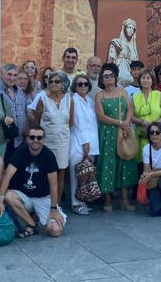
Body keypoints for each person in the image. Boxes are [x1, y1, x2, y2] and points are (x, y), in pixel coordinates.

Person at [0, 125, 67, 238]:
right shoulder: (20, 152)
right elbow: (7, 176)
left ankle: (38, 216)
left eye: (39, 138)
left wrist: (54, 208)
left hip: (43, 198)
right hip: (25, 197)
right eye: (32, 137)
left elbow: (54, 184)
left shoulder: (48, 155)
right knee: (8, 196)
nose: (35, 140)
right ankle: (31, 224)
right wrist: (0, 199)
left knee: (56, 231)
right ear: (27, 138)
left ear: (43, 139)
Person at [95, 63, 138, 212]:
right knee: (108, 165)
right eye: (105, 76)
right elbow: (101, 116)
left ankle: (125, 200)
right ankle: (107, 200)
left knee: (124, 164)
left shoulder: (122, 91)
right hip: (108, 133)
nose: (109, 78)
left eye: (111, 76)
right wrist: (120, 123)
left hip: (124, 132)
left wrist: (126, 124)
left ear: (115, 77)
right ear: (102, 79)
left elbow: (130, 108)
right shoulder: (100, 95)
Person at [33, 70, 72, 203]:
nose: (53, 84)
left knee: (60, 173)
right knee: (44, 172)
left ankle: (56, 203)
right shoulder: (42, 98)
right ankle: (42, 201)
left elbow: (70, 122)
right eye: (51, 81)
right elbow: (36, 121)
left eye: (57, 81)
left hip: (63, 141)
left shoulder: (69, 99)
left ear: (64, 84)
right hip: (47, 142)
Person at [69, 75, 99, 215]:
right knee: (77, 173)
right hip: (79, 142)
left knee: (86, 173)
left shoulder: (90, 101)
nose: (83, 86)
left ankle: (83, 199)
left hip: (91, 142)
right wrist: (85, 141)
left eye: (85, 84)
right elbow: (76, 122)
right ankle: (76, 204)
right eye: (79, 84)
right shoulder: (73, 100)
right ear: (75, 86)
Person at [133, 69, 161, 161]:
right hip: (141, 135)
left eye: (148, 78)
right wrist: (142, 122)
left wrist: (152, 125)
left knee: (157, 162)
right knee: (141, 163)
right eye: (143, 78)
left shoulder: (159, 95)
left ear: (152, 80)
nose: (146, 80)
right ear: (139, 80)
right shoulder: (135, 96)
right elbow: (131, 117)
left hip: (156, 134)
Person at [0, 63, 28, 151]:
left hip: (19, 141)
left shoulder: (19, 91)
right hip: (3, 141)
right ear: (2, 74)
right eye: (9, 74)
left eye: (15, 75)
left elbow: (24, 113)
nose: (12, 78)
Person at [108, 20, 139, 87]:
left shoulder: (133, 47)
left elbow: (136, 64)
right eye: (129, 27)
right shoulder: (116, 42)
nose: (131, 30)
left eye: (132, 29)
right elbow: (110, 60)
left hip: (132, 75)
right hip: (120, 71)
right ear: (124, 28)